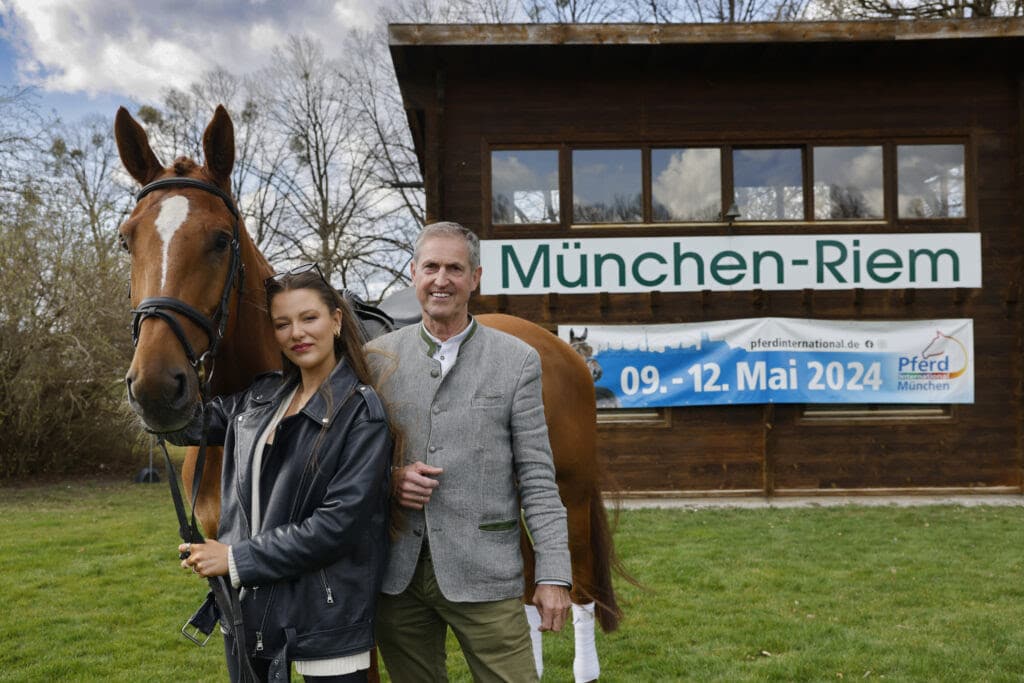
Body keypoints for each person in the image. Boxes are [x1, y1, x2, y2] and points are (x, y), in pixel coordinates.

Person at [366, 221, 573, 682]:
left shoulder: (516, 360)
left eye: (455, 268)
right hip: (397, 579)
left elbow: (538, 477)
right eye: (431, 267)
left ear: (475, 277)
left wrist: (554, 573)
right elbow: (351, 464)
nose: (442, 280)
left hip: (486, 572)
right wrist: (391, 479)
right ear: (413, 273)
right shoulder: (377, 359)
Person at [171, 264, 393, 683]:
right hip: (249, 610)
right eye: (282, 323)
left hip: (327, 616)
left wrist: (234, 558)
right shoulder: (259, 398)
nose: (297, 333)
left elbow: (336, 527)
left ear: (337, 320)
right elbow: (181, 423)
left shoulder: (362, 414)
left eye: (309, 318)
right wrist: (161, 349)